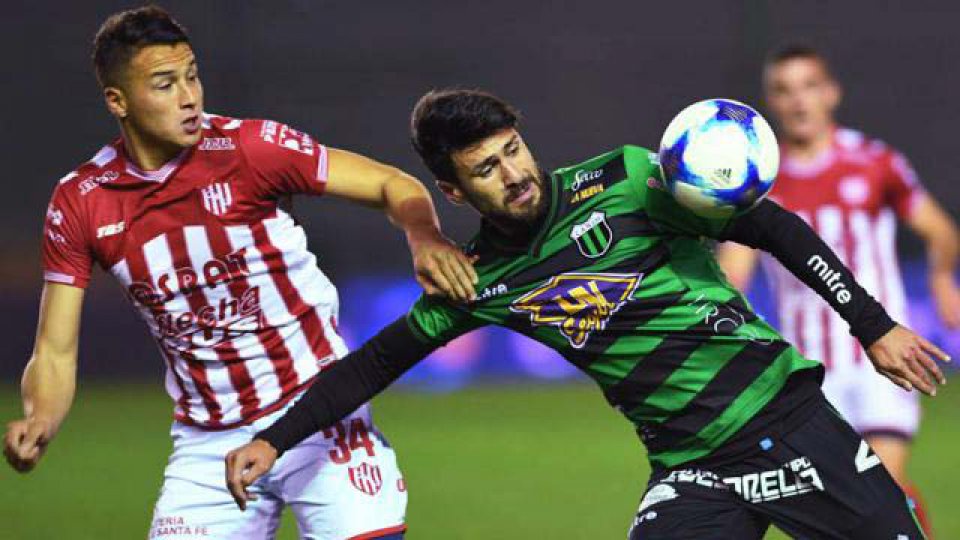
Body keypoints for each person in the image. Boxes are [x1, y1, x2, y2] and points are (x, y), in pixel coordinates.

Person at [226, 89, 949, 539]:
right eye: (486, 169)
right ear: (453, 192)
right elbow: (375, 363)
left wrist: (872, 325)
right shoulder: (479, 279)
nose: (514, 175)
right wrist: (276, 438)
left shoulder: (629, 179)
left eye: (513, 151)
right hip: (692, 466)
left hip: (789, 424)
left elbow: (771, 227)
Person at [1, 7, 477, 540]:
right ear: (118, 101)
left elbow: (392, 183)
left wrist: (424, 237)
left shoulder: (250, 150)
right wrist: (40, 419)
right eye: (165, 84)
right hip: (208, 443)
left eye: (192, 75)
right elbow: (55, 350)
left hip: (319, 412)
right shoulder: (82, 202)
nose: (189, 96)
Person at [716, 45, 960, 534]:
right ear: (771, 102)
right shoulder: (760, 181)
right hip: (810, 371)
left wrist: (940, 281)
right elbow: (732, 273)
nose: (798, 101)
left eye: (809, 86)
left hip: (881, 360)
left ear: (831, 93)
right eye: (784, 91)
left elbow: (939, 231)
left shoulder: (874, 163)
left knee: (883, 485)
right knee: (845, 510)